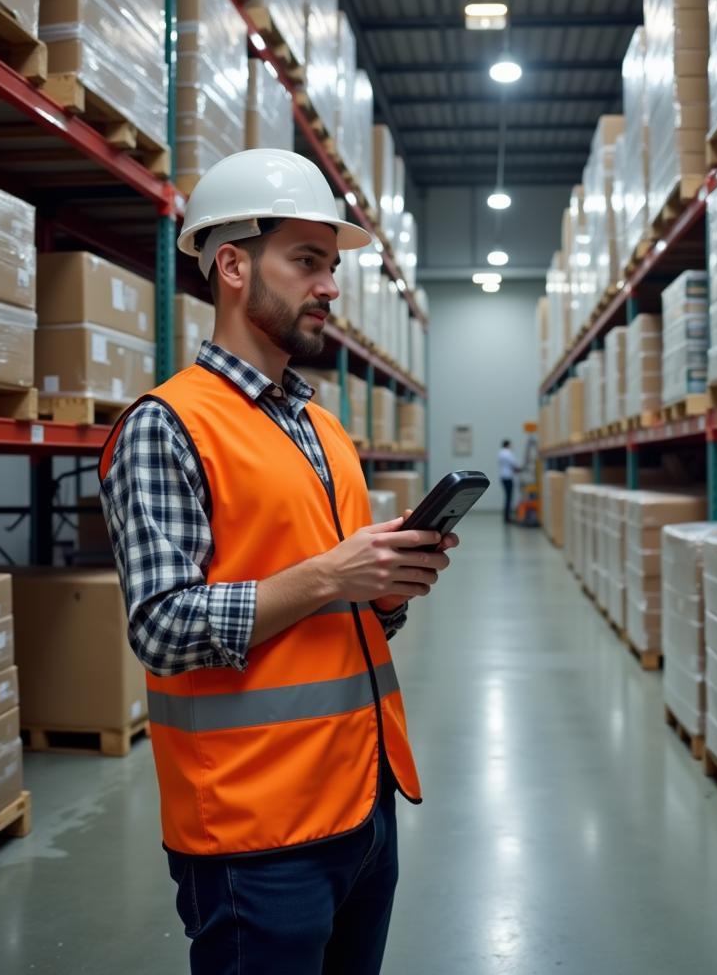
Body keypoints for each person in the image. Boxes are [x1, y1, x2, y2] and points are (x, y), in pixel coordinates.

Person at [98, 149, 458, 975]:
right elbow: (161, 628)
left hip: (363, 804)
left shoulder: (326, 431)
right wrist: (334, 573)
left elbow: (348, 620)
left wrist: (391, 582)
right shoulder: (168, 426)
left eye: (331, 267)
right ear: (231, 265)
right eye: (307, 261)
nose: (330, 286)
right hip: (254, 833)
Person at [498, 439, 522, 523]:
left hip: (502, 477)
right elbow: (514, 465)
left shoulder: (500, 453)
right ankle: (507, 517)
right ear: (508, 445)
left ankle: (506, 516)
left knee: (507, 497)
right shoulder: (508, 453)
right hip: (508, 477)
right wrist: (521, 469)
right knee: (509, 497)